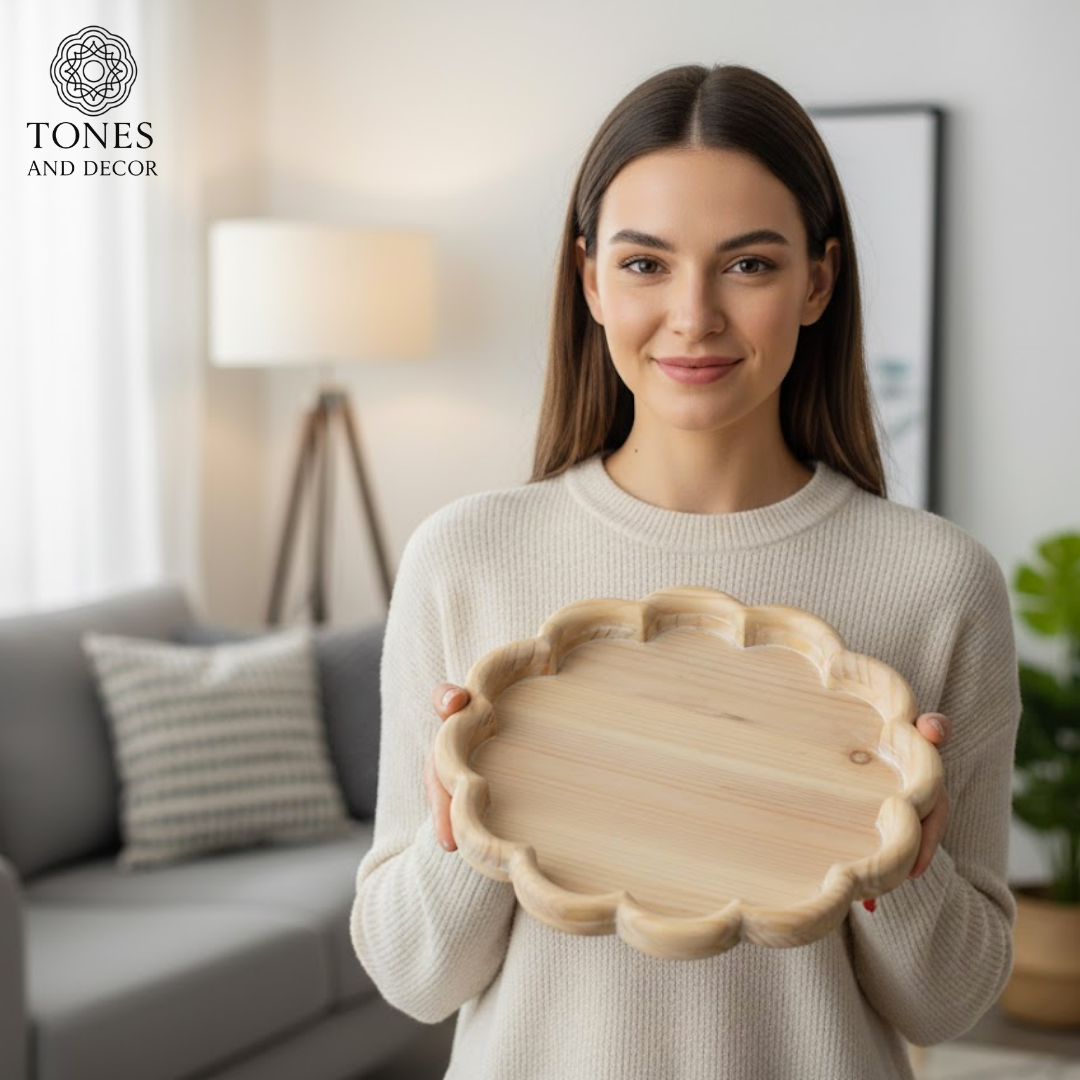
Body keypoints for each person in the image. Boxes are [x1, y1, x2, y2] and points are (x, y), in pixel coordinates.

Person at [350, 62, 1020, 1080]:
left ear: (818, 282)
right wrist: (470, 822)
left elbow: (952, 1002)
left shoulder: (936, 582)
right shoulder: (467, 557)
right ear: (589, 280)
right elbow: (412, 975)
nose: (694, 315)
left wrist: (903, 856)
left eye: (748, 265)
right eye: (645, 265)